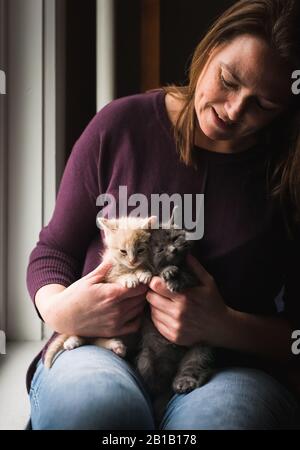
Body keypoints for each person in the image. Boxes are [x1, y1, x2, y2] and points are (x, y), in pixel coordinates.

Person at [26, 0, 300, 430]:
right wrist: (61, 310)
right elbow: (53, 250)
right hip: (101, 350)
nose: (233, 110)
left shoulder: (287, 175)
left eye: (262, 105)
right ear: (208, 52)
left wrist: (224, 325)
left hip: (223, 368)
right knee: (96, 415)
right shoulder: (120, 126)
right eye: (227, 80)